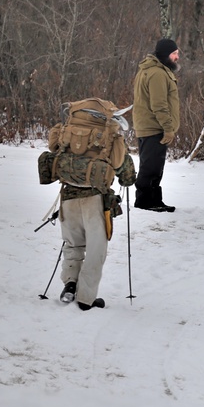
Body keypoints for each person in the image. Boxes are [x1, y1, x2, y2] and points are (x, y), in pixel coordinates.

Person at [57, 125, 137, 311]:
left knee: (73, 244)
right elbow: (127, 176)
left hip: (67, 196)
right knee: (95, 249)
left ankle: (70, 283)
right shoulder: (110, 138)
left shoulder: (71, 132)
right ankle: (86, 298)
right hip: (95, 200)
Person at [132, 38, 180, 212]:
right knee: (151, 166)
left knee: (154, 165)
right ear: (165, 54)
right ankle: (145, 202)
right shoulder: (157, 73)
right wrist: (168, 128)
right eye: (174, 53)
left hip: (150, 125)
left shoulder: (152, 70)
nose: (177, 57)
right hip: (154, 126)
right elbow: (159, 104)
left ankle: (154, 200)